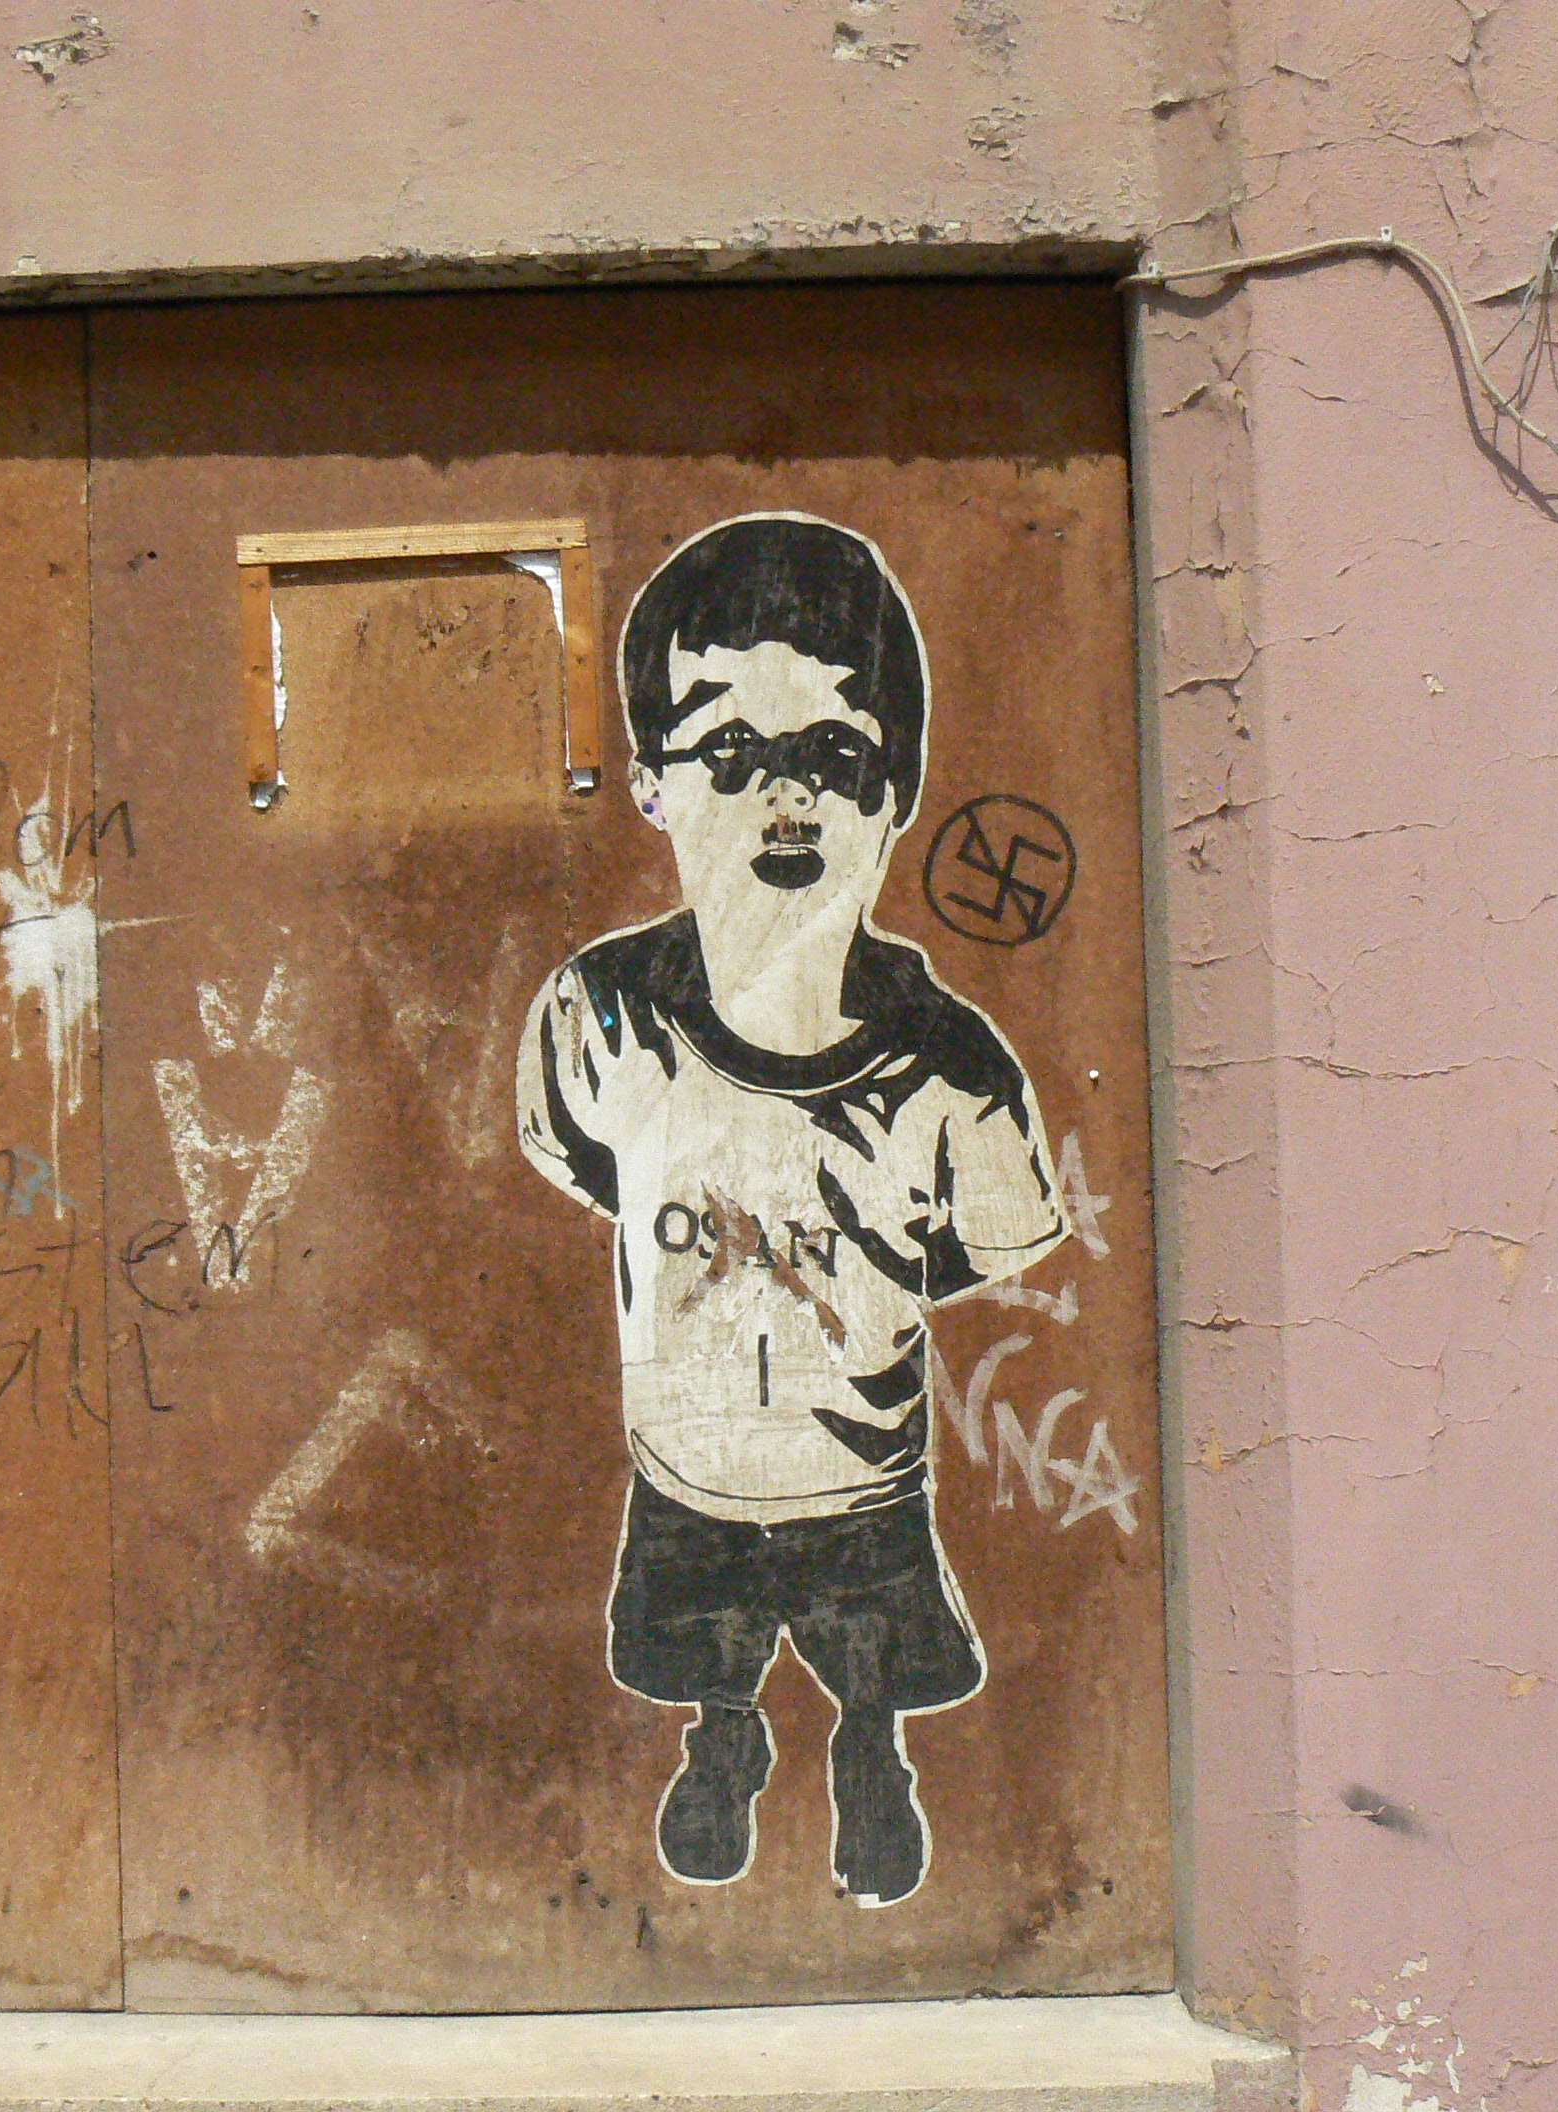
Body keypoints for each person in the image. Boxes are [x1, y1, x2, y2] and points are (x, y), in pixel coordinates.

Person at [516, 512, 1068, 1908]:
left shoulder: (951, 1070)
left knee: (868, 1646)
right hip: (685, 1463)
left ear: (896, 792)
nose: (785, 797)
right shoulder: (604, 1019)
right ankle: (726, 1742)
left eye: (833, 754)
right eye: (728, 753)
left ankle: (870, 1757)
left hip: (862, 1478)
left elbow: (996, 1249)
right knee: (704, 1635)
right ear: (652, 784)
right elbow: (585, 1160)